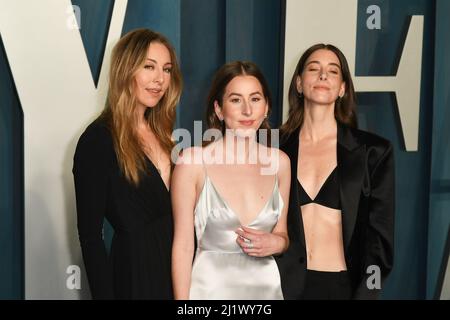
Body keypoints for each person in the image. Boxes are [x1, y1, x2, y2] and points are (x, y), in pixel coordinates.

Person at [277, 44, 394, 299]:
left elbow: (380, 243)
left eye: (333, 71)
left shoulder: (372, 151)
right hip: (280, 288)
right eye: (313, 68)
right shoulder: (272, 148)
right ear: (298, 83)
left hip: (340, 288)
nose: (323, 76)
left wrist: (365, 295)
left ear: (342, 88)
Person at [72, 28, 182, 299]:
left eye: (167, 69)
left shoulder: (163, 132)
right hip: (136, 276)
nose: (160, 79)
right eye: (149, 67)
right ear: (125, 70)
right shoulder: (97, 141)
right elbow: (90, 238)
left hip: (180, 269)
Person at [171, 61, 291, 299]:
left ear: (266, 106)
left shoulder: (280, 163)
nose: (247, 110)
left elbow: (283, 235)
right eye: (236, 100)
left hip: (266, 294)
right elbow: (183, 247)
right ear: (219, 109)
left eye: (255, 99)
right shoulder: (193, 162)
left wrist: (277, 244)